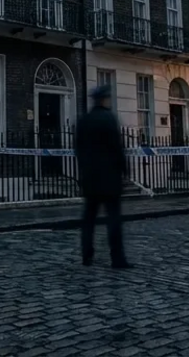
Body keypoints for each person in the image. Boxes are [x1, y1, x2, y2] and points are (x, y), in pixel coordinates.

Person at [75, 84, 131, 268]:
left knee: (89, 220)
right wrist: (124, 170)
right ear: (104, 99)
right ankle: (117, 258)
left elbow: (78, 149)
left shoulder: (84, 120)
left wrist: (84, 170)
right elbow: (117, 147)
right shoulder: (109, 119)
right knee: (113, 219)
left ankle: (87, 255)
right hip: (109, 178)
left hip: (90, 178)